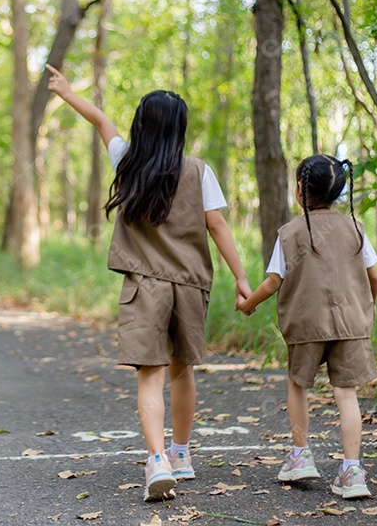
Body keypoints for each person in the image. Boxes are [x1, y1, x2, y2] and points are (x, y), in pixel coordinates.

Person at [45, 64, 251, 502]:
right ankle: (181, 454)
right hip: (191, 286)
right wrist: (242, 278)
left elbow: (101, 119)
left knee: (149, 375)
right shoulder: (199, 171)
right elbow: (218, 227)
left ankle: (156, 459)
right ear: (180, 130)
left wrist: (64, 91)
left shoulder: (127, 161)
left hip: (144, 287)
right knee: (182, 371)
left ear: (141, 125)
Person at [238, 154, 377, 499]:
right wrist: (369, 303)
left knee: (298, 383)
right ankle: (352, 470)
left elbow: (274, 281)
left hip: (306, 324)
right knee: (346, 393)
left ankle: (300, 455)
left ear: (300, 190)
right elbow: (373, 274)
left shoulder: (290, 232)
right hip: (351, 323)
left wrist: (248, 303)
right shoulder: (355, 228)